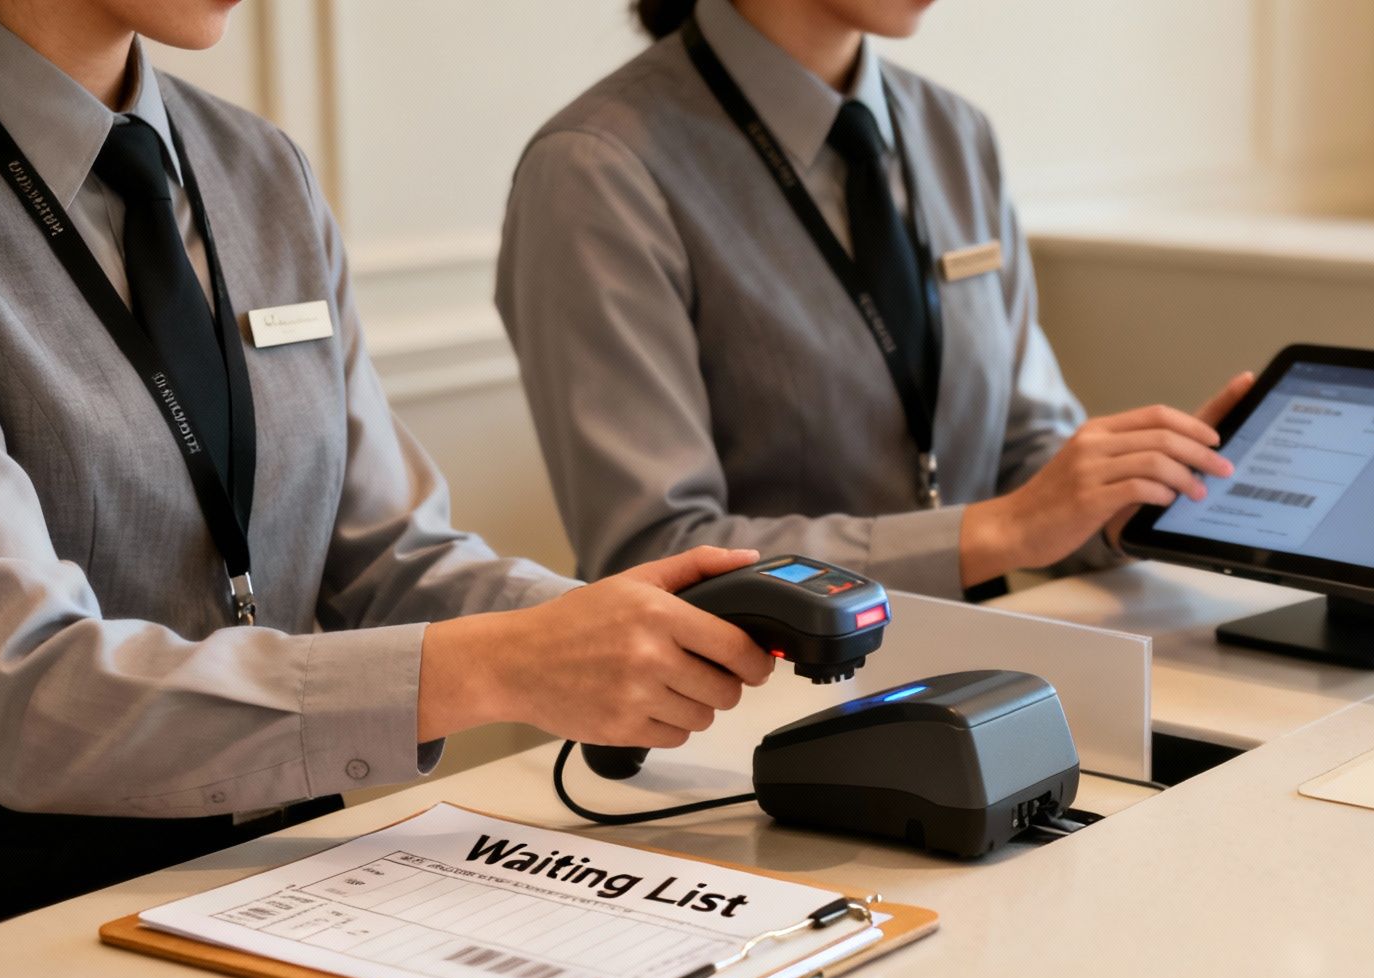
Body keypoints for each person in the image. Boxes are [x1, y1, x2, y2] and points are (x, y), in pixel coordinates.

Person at [0, 0, 776, 927]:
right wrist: (504, 665)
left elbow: (384, 555)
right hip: (29, 933)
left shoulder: (259, 168)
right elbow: (22, 690)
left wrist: (602, 627)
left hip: (296, 880)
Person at [498, 0, 1255, 598]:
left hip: (984, 684)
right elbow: (655, 552)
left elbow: (1023, 452)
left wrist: (1130, 498)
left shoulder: (957, 134)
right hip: (746, 722)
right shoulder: (597, 170)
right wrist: (996, 533)